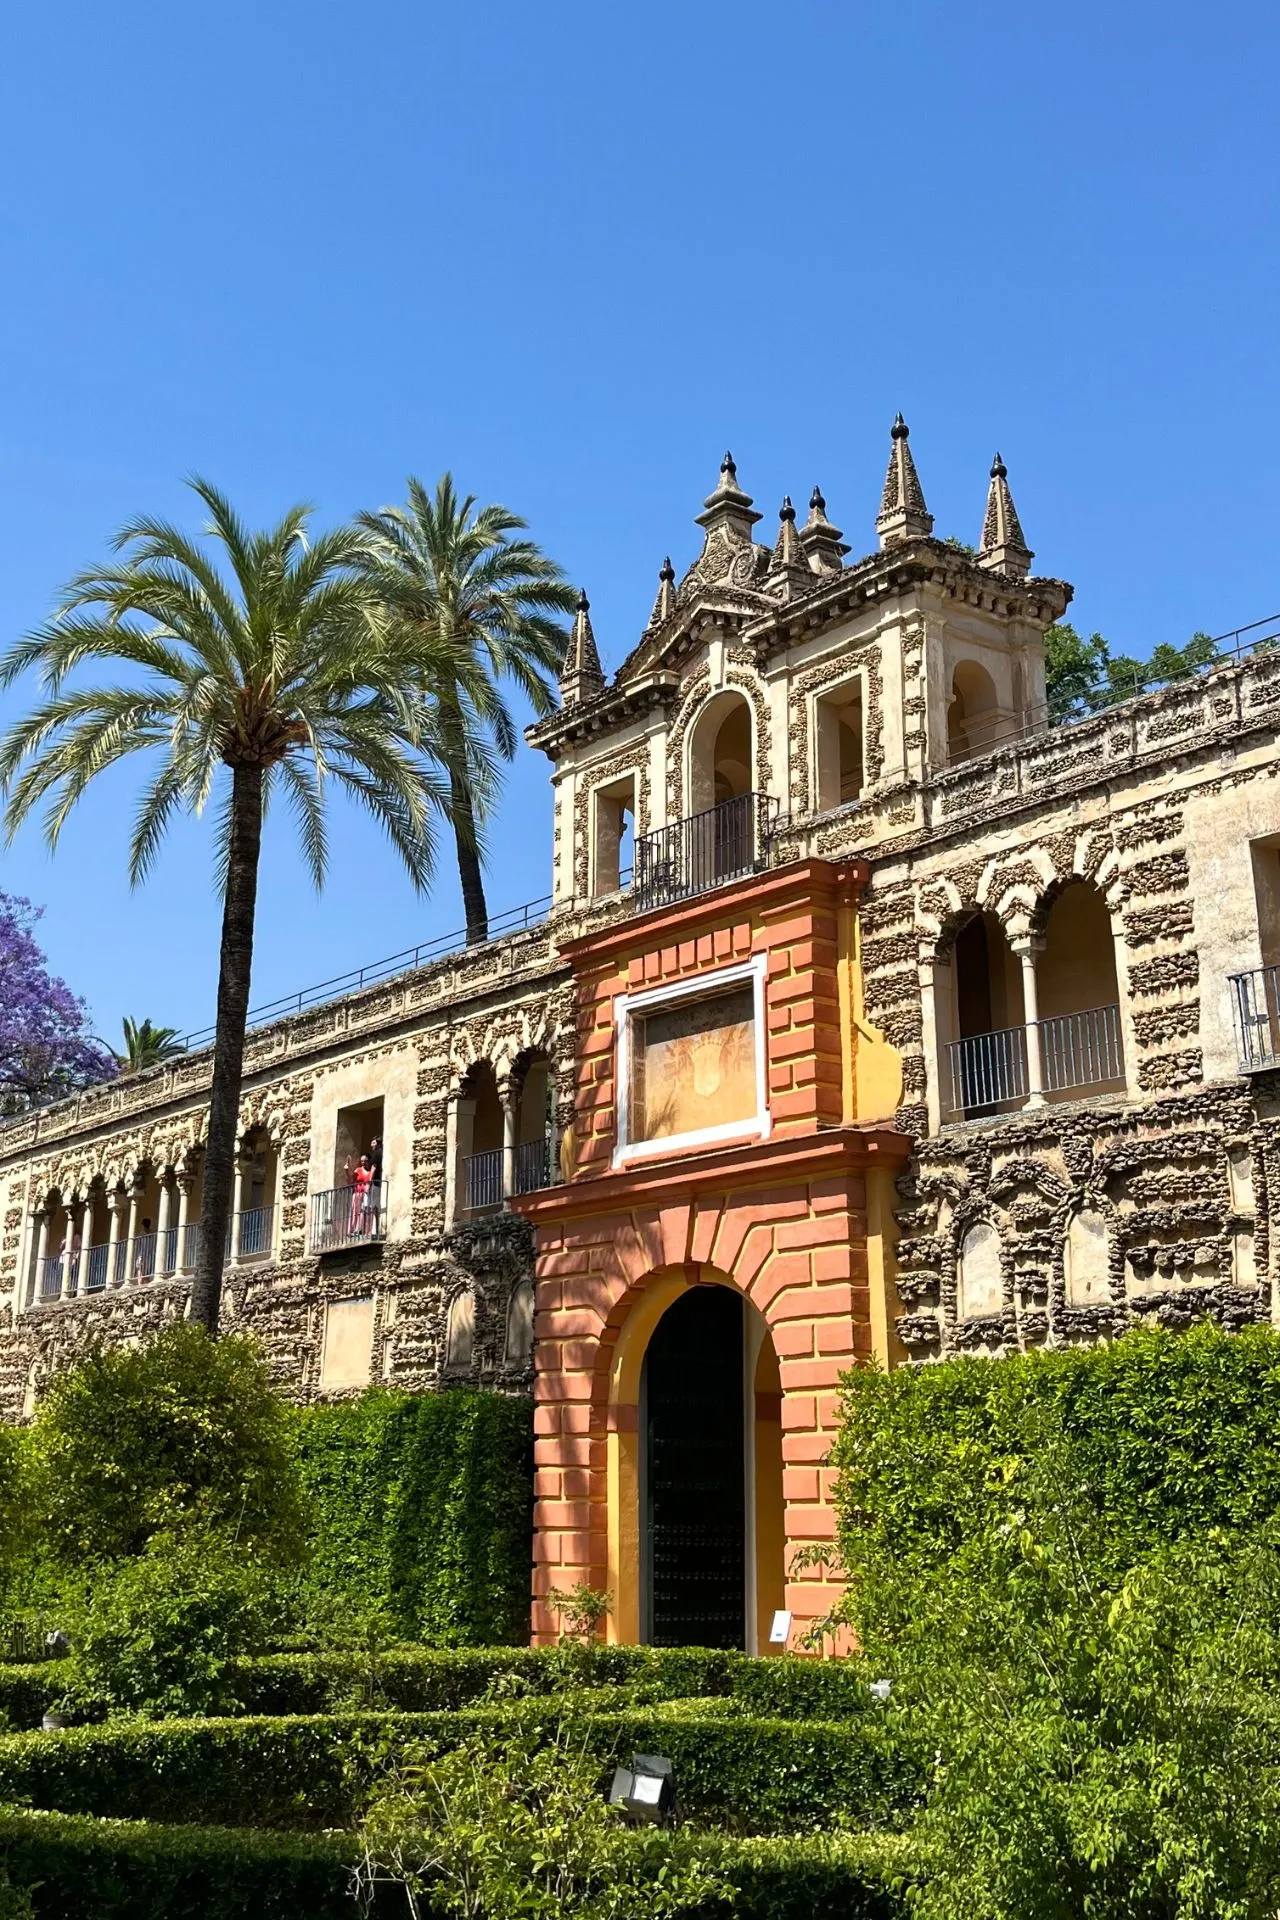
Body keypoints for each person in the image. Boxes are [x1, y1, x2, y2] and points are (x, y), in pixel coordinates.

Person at [349, 1156, 374, 1236]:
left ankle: (360, 1229)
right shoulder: (358, 1170)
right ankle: (353, 1230)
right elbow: (351, 1179)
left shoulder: (370, 1172)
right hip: (357, 1193)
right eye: (362, 1161)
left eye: (365, 1161)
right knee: (355, 1212)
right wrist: (346, 1170)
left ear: (368, 1161)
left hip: (366, 1194)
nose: (363, 1163)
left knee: (364, 1212)